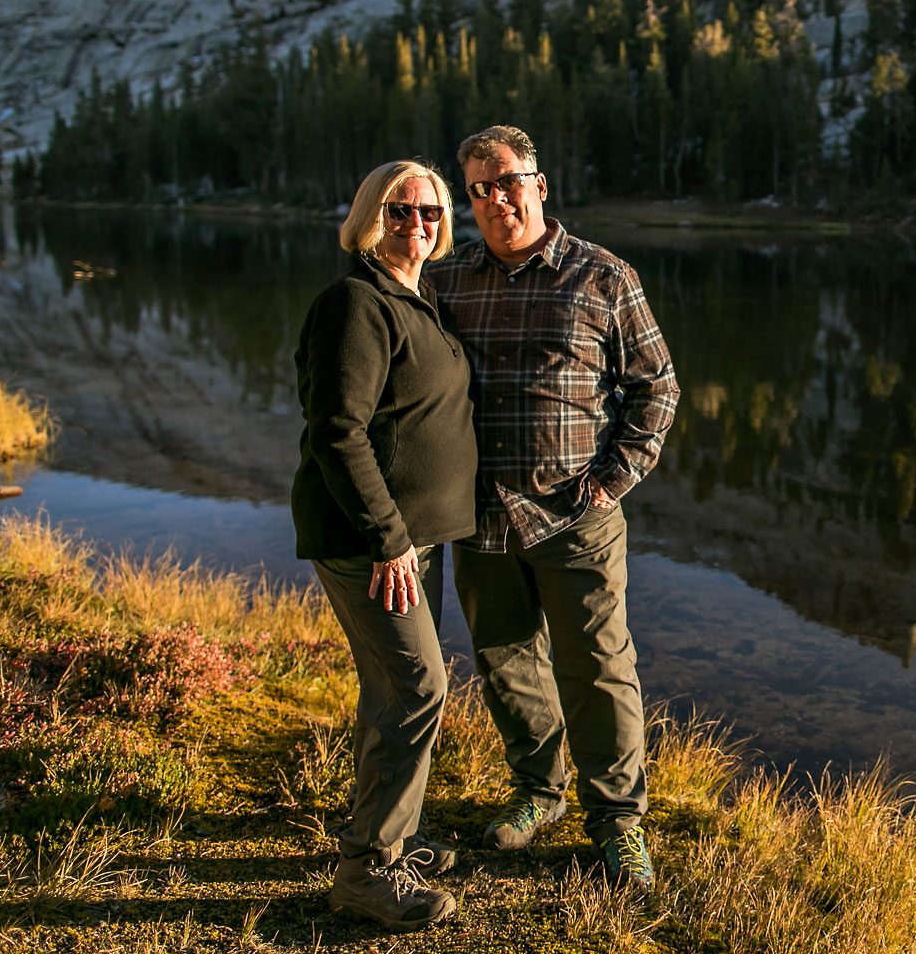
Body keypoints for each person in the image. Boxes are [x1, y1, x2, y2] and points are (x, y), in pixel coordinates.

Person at [430, 124, 679, 888]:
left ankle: (617, 822)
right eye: (478, 188)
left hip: (578, 516)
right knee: (506, 662)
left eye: (508, 181)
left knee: (600, 667)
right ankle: (539, 792)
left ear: (540, 184)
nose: (496, 198)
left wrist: (611, 482)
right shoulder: (447, 281)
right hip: (479, 516)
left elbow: (656, 389)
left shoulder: (603, 276)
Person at [291, 159, 476, 932]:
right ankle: (367, 872)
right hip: (374, 543)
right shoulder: (355, 304)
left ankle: (389, 838)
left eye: (430, 211)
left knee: (390, 692)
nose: (418, 224)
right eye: (400, 210)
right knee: (417, 689)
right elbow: (338, 432)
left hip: (411, 541)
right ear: (370, 215)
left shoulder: (415, 296)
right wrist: (390, 539)